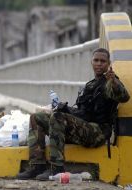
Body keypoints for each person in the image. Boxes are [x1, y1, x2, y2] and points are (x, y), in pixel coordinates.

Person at [17, 48, 130, 180]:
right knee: (37, 117)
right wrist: (65, 109)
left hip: (97, 132)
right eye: (96, 60)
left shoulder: (110, 82)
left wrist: (114, 81)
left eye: (103, 61)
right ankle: (37, 165)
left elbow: (124, 97)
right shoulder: (91, 85)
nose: (99, 63)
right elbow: (84, 112)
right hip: (84, 127)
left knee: (57, 118)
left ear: (108, 63)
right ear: (91, 62)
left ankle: (56, 168)